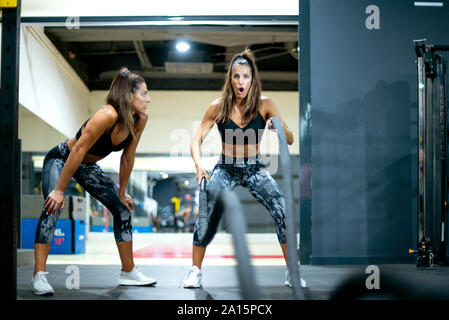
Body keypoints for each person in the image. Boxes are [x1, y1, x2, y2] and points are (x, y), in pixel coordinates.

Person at [182, 49, 306, 289]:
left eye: (246, 76)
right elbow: (195, 140)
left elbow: (289, 138)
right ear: (230, 78)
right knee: (205, 211)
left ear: (253, 78)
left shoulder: (265, 104)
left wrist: (277, 126)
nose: (241, 82)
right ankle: (195, 271)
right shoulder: (217, 107)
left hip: (254, 168)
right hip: (226, 168)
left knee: (282, 209)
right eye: (236, 76)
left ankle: (292, 272)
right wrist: (199, 165)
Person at [31, 67, 157, 295]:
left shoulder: (139, 119)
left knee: (123, 209)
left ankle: (128, 271)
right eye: (144, 94)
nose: (148, 100)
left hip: (87, 166)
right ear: (129, 96)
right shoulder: (107, 115)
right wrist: (59, 189)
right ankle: (39, 275)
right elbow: (78, 149)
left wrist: (122, 192)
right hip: (62, 158)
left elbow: (128, 156)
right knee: (53, 207)